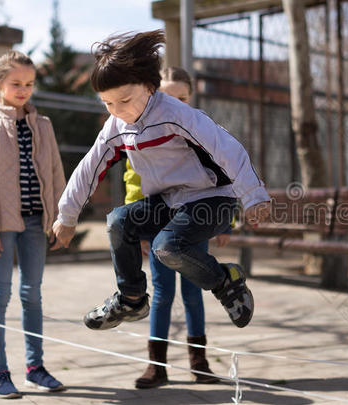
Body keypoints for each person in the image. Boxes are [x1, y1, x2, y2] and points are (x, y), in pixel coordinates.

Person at [51, 31, 270, 336]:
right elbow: (89, 168)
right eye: (108, 104)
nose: (119, 111)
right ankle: (131, 299)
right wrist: (67, 216)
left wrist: (253, 195)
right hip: (168, 203)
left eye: (125, 100)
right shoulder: (117, 125)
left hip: (213, 199)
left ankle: (225, 280)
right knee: (117, 221)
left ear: (149, 87)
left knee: (166, 247)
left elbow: (226, 147)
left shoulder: (177, 114)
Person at [0, 51, 66, 398]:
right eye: (16, 84)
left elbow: (55, 174)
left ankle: (35, 368)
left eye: (29, 84)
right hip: (2, 224)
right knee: (0, 294)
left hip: (37, 221)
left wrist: (59, 219)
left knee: (32, 294)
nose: (23, 90)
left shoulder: (44, 125)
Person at [125, 66, 225, 388]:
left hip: (195, 222)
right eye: (168, 98)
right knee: (163, 293)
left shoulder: (202, 130)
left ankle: (200, 362)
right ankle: (157, 366)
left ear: (190, 98)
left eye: (181, 98)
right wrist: (138, 228)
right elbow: (133, 180)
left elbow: (223, 173)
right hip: (157, 224)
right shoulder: (142, 132)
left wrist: (224, 222)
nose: (176, 104)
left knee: (193, 292)